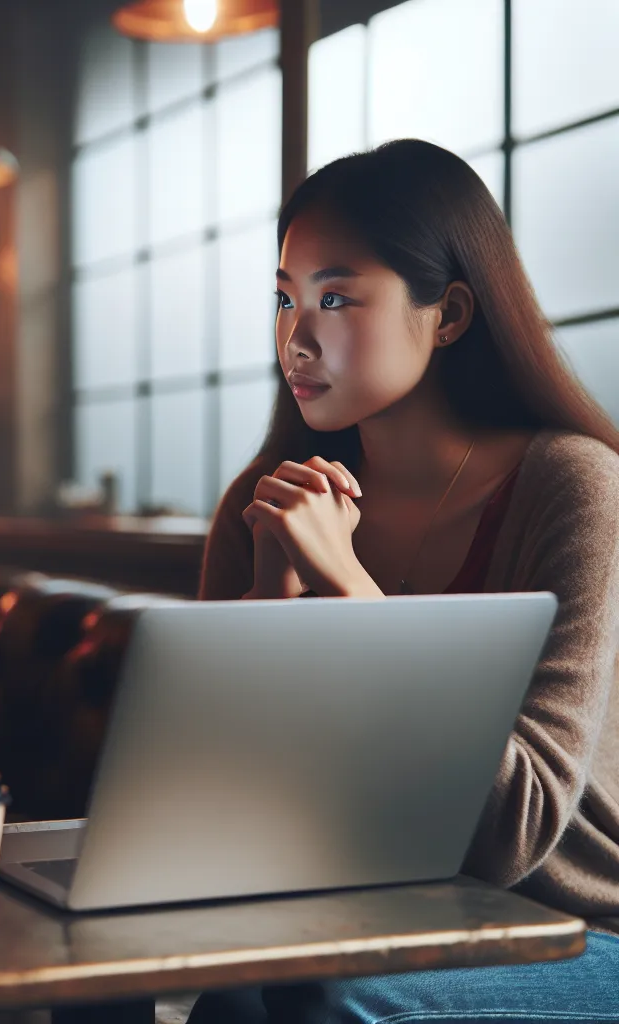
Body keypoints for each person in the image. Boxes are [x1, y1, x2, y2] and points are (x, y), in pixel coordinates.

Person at [193, 139, 619, 1022]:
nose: (294, 338)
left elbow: (512, 834)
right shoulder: (267, 500)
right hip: (368, 913)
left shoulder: (572, 486)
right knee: (237, 993)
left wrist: (348, 588)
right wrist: (273, 603)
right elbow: (218, 818)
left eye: (336, 298)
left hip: (575, 928)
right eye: (284, 298)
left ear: (450, 314)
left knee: (323, 998)